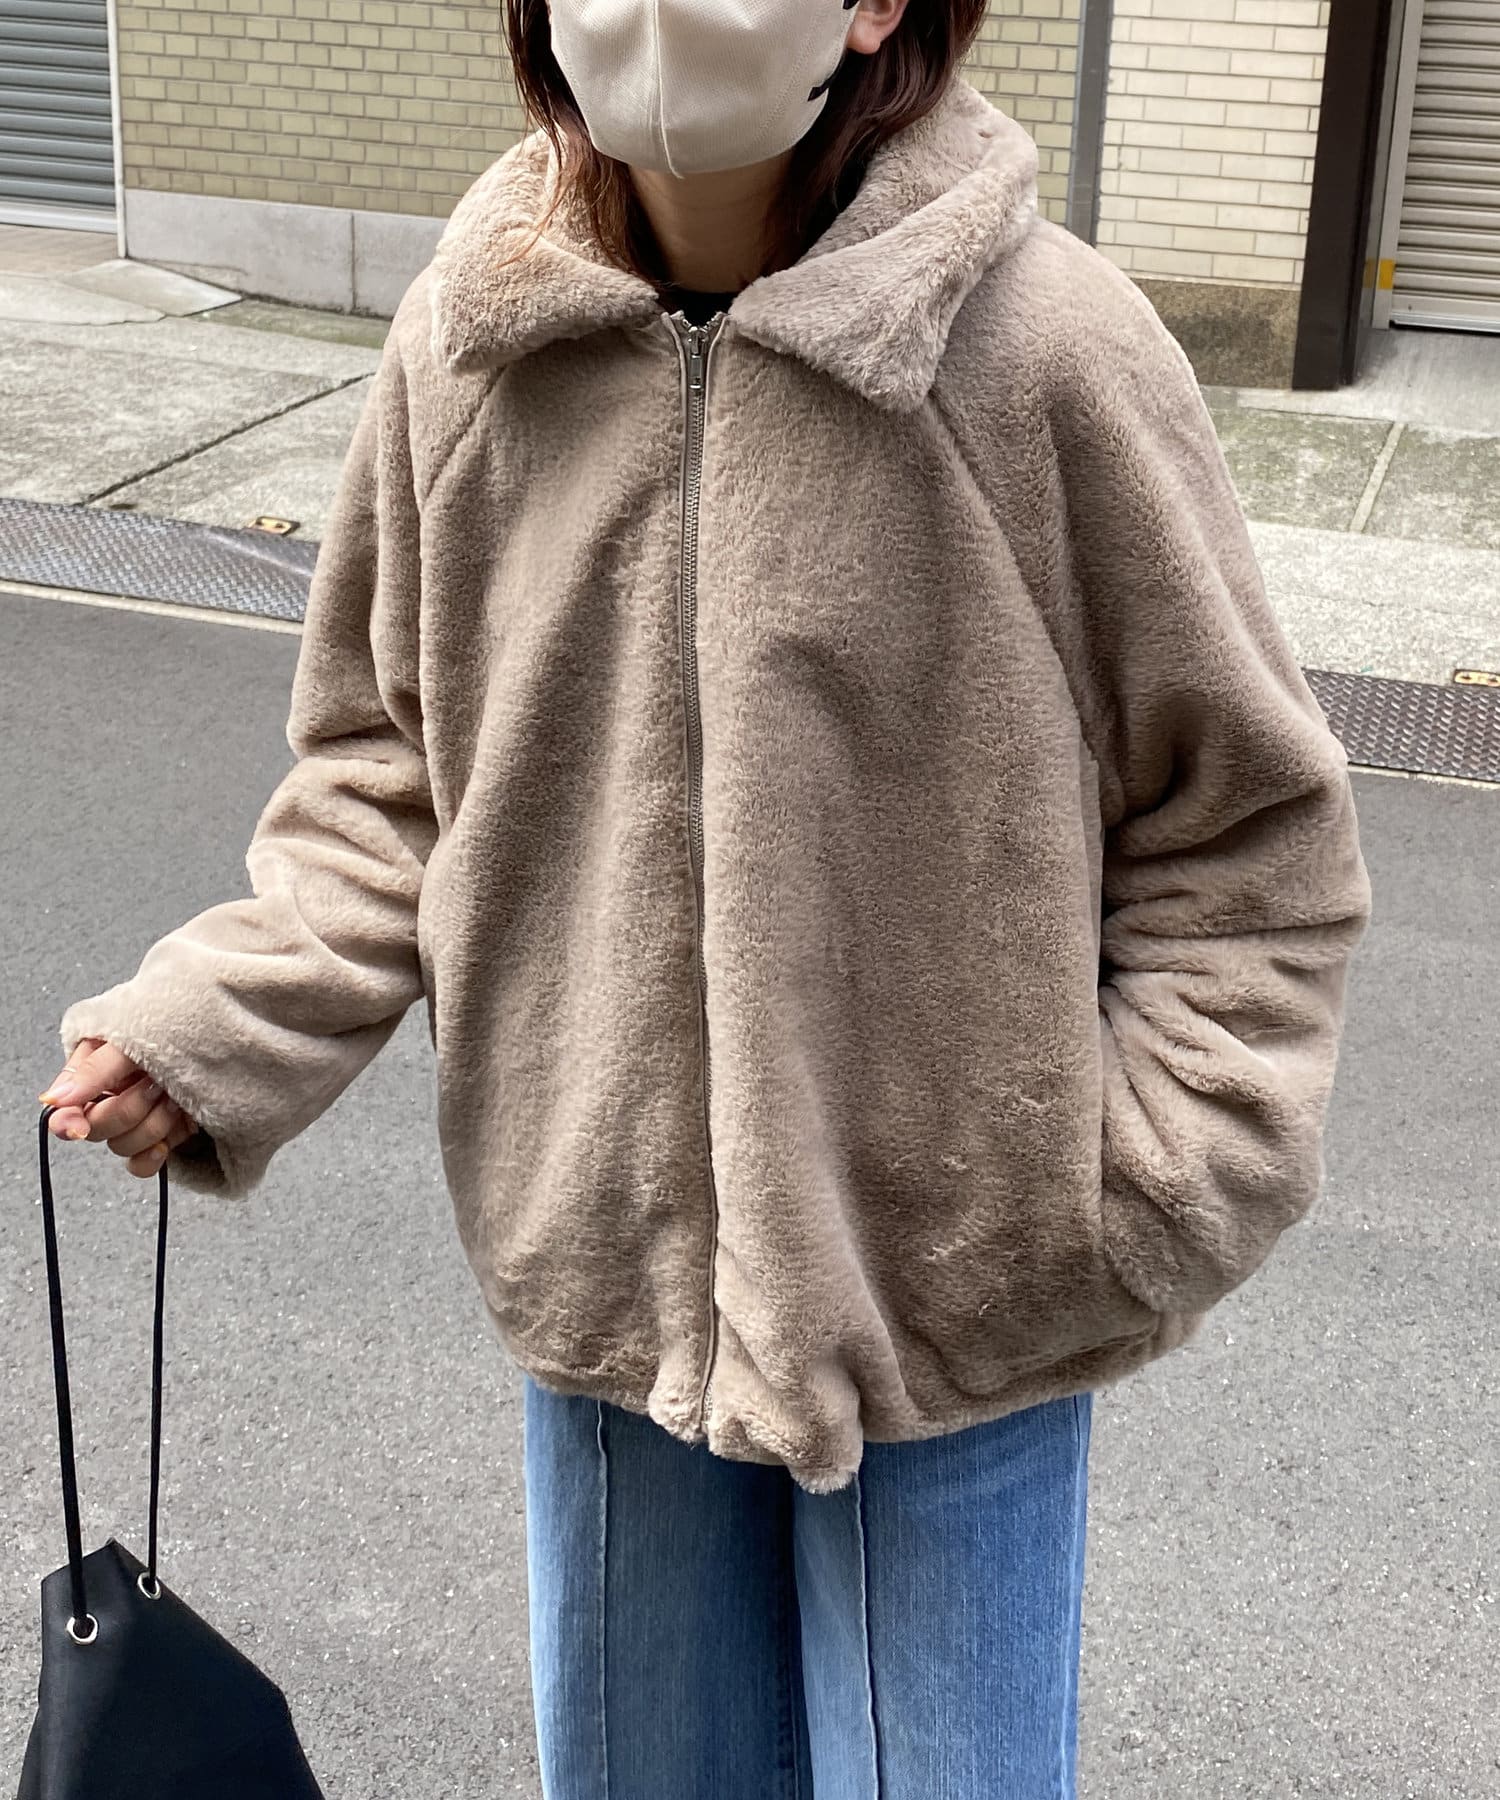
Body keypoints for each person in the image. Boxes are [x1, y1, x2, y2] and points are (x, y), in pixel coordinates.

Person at [39, 1, 1374, 1794]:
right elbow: (396, 768)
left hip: (961, 1308)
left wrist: (1131, 1199)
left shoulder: (1048, 355)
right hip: (607, 1287)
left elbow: (1249, 831)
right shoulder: (470, 344)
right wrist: (220, 1023)